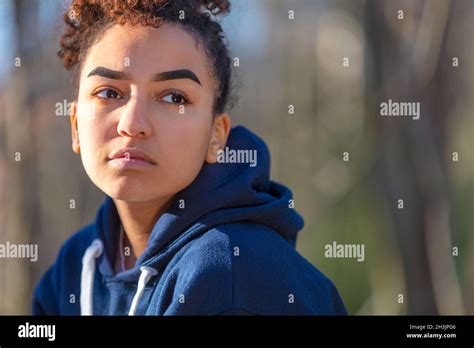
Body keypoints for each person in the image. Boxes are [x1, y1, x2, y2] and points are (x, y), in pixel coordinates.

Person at [33, 0, 347, 315]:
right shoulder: (71, 268)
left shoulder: (229, 274)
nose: (133, 125)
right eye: (109, 93)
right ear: (75, 125)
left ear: (216, 136)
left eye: (173, 97)